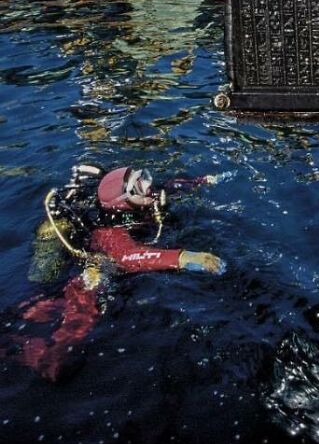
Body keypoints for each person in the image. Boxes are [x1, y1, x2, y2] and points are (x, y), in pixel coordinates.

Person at [13, 163, 225, 382]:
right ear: (123, 202)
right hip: (98, 265)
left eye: (142, 176)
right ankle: (44, 355)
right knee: (85, 300)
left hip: (120, 247)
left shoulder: (142, 198)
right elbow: (128, 257)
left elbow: (171, 186)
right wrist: (184, 258)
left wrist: (202, 181)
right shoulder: (110, 232)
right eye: (139, 185)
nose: (148, 184)